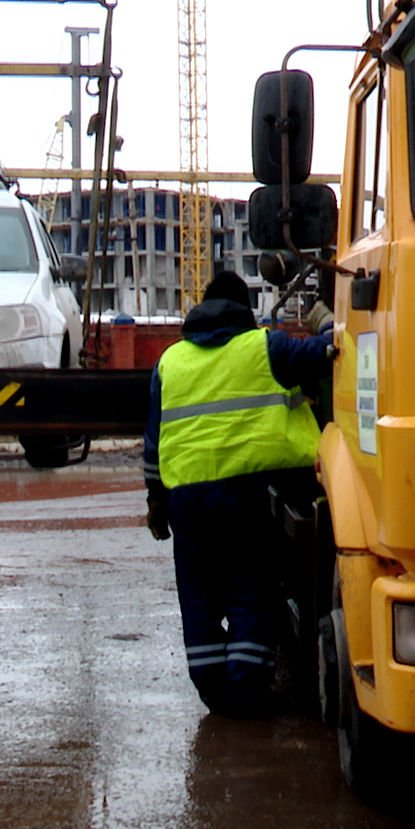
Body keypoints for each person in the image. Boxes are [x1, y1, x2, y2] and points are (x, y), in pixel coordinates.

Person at [143, 271, 335, 717]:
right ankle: (246, 690)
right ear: (244, 313)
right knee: (250, 586)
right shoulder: (263, 347)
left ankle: (213, 690)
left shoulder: (171, 362)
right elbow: (328, 353)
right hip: (245, 494)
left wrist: (156, 500)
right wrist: (325, 320)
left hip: (186, 501)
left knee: (198, 592)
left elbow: (153, 442)